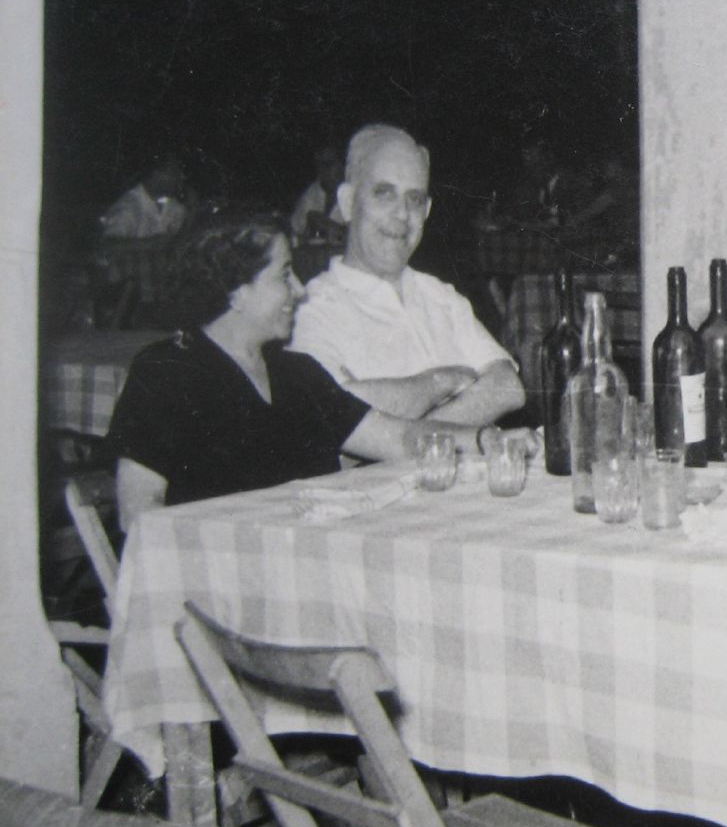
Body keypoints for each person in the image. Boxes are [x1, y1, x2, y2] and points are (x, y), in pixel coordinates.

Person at [107, 213, 519, 528]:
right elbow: (138, 514)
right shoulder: (166, 373)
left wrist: (490, 440)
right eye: (285, 275)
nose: (300, 290)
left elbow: (403, 439)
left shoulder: (296, 374)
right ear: (237, 290)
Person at [288, 124, 524, 426]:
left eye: (414, 199)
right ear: (348, 203)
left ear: (426, 211)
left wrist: (400, 427)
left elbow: (508, 388)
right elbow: (329, 415)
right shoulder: (313, 308)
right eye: (384, 194)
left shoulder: (440, 295)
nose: (402, 214)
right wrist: (442, 381)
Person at [100, 156, 189, 240]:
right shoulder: (128, 206)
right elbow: (108, 245)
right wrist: (154, 243)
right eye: (174, 173)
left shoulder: (175, 206)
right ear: (156, 174)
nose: (181, 177)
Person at [287, 145, 346, 240]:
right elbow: (293, 231)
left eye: (328, 164)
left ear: (342, 165)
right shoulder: (313, 192)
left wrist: (330, 226)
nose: (323, 170)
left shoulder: (355, 192)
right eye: (318, 165)